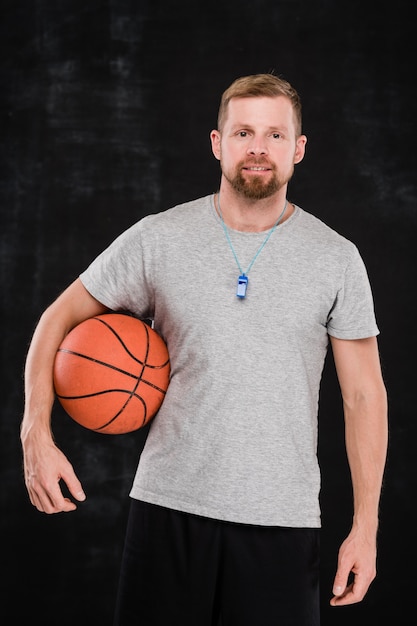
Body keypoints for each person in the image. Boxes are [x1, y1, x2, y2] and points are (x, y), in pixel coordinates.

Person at [20, 73, 388, 625]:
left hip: (281, 523)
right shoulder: (157, 238)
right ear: (217, 143)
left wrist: (365, 528)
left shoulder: (335, 258)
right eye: (242, 133)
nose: (258, 149)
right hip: (167, 510)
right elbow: (57, 318)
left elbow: (364, 396)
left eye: (274, 135)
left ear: (299, 149)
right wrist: (35, 433)